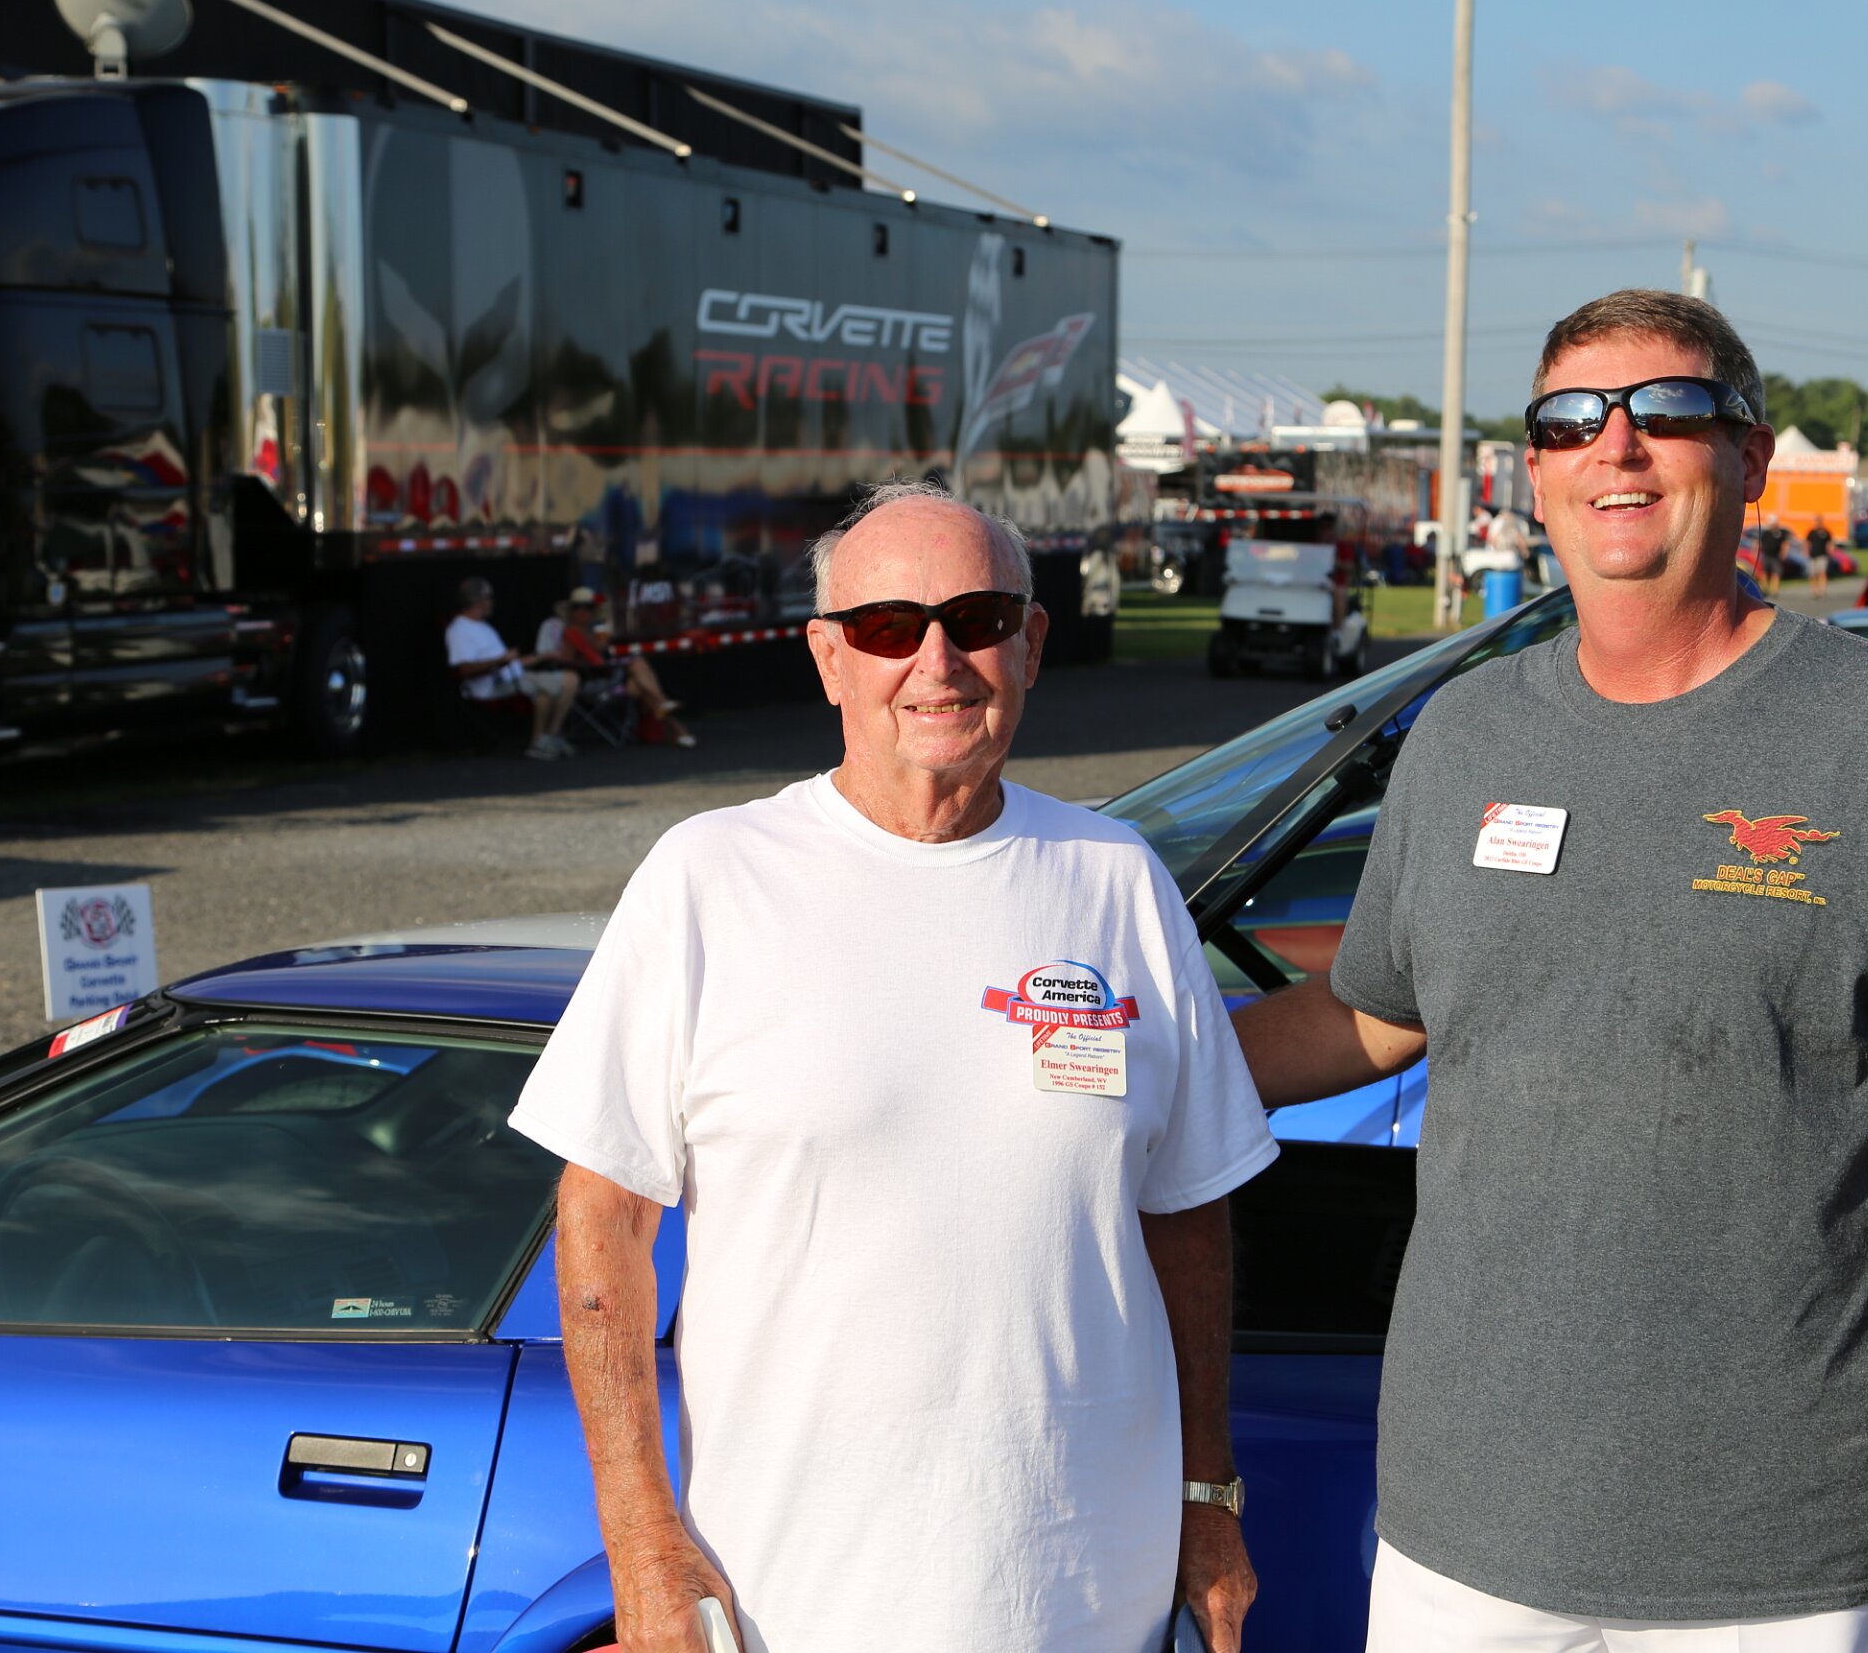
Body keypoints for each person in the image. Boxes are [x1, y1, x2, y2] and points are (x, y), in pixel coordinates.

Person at [1236, 289, 1868, 1653]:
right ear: (1534, 473)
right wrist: (1133, 1061)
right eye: (1571, 419)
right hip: (1466, 1543)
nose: (1616, 446)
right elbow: (1373, 1014)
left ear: (1751, 456)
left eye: (1670, 410)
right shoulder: (1461, 736)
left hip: (1799, 1562)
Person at [510, 479, 1275, 1653]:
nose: (937, 661)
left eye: (976, 620)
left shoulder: (1118, 878)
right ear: (829, 658)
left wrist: (1207, 1497)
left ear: (1031, 644)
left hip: (1090, 1599)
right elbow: (602, 1224)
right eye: (886, 627)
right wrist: (641, 1537)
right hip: (792, 1602)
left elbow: (1188, 1214)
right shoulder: (709, 878)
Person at [533, 586, 699, 747]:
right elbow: (587, 661)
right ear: (571, 611)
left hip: (604, 677)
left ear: (593, 611)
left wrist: (602, 646)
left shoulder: (593, 631)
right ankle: (665, 707)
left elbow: (601, 653)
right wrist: (599, 654)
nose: (582, 611)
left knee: (638, 686)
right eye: (578, 607)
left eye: (588, 607)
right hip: (590, 680)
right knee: (637, 663)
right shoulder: (572, 632)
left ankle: (677, 728)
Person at [445, 576, 577, 760]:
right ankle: (550, 736)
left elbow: (511, 663)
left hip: (510, 678)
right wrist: (500, 660)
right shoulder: (459, 630)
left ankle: (541, 741)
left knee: (544, 695)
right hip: (491, 687)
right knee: (570, 680)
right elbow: (464, 670)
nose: (492, 602)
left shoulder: (483, 627)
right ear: (479, 601)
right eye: (489, 598)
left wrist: (543, 656)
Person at [1754, 518, 1789, 592]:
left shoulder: (1780, 533)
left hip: (1776, 556)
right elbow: (1759, 543)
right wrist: (1756, 551)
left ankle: (1774, 589)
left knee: (1776, 572)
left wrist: (1784, 552)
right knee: (1764, 572)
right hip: (1766, 555)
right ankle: (1764, 588)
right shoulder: (1766, 533)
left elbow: (1784, 544)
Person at [1806, 515, 1834, 597]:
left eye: (1819, 521)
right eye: (1816, 521)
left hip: (1822, 555)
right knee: (1812, 574)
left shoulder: (1826, 532)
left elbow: (1829, 543)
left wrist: (1830, 552)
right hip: (1812, 555)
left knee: (1822, 573)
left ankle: (1823, 590)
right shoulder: (1811, 532)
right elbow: (1807, 542)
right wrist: (1806, 551)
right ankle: (1815, 591)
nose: (1817, 523)